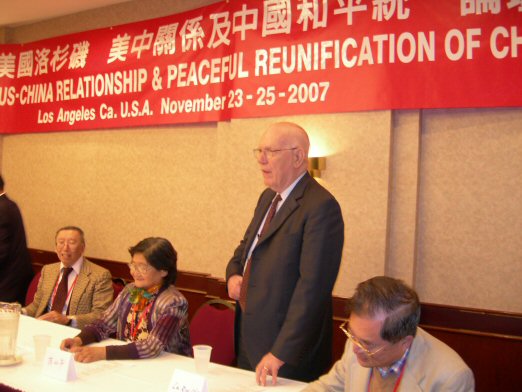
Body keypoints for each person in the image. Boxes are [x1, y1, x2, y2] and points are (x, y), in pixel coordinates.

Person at [226, 122, 345, 385]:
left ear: (298, 157)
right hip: (249, 336)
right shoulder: (267, 197)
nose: (261, 159)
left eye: (270, 151)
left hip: (286, 353)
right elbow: (246, 249)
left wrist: (280, 352)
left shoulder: (321, 207)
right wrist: (233, 274)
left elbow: (312, 290)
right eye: (259, 150)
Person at [303, 276, 475, 392]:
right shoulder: (359, 340)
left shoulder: (450, 377)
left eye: (367, 344)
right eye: (352, 335)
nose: (355, 348)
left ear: (405, 342)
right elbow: (328, 387)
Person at [60, 237, 191, 362]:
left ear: (163, 271)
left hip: (167, 366)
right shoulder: (130, 290)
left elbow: (152, 347)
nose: (135, 272)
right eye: (133, 265)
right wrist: (78, 340)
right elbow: (103, 323)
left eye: (143, 267)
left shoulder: (173, 302)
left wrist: (102, 353)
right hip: (130, 359)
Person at [23, 226, 113, 328]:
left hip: (74, 332)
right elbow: (37, 305)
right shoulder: (48, 270)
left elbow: (101, 314)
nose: (65, 248)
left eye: (72, 242)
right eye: (61, 242)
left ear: (82, 248)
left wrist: (68, 320)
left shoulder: (99, 275)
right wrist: (18, 311)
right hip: (42, 328)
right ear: (55, 248)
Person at [0, 175, 34, 304]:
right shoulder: (8, 205)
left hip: (7, 282)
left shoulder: (2, 208)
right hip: (13, 279)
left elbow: (1, 251)